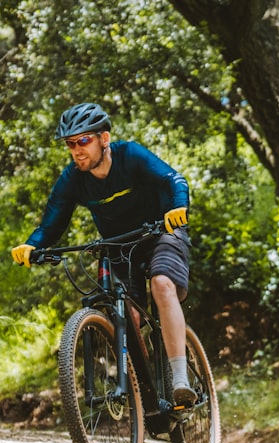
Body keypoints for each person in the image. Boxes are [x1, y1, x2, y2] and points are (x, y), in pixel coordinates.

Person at [11, 102, 196, 406]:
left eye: (83, 140)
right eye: (71, 144)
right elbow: (52, 221)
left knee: (162, 284)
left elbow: (173, 179)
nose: (76, 150)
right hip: (118, 244)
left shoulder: (130, 155)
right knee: (123, 312)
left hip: (161, 231)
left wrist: (178, 206)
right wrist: (33, 245)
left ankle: (180, 380)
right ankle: (143, 387)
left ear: (104, 139)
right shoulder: (73, 178)